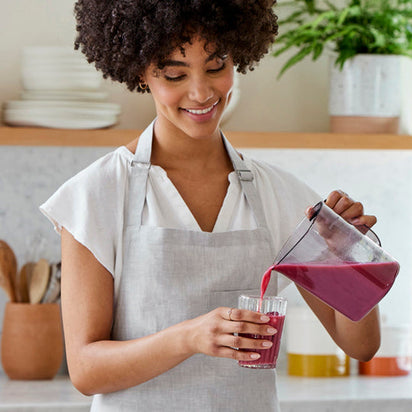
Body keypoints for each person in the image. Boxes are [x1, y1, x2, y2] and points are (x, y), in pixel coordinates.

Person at [40, 1, 380, 411]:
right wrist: (189, 337)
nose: (201, 93)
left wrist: (353, 256)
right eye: (174, 74)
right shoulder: (97, 194)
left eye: (216, 66)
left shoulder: (279, 194)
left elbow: (360, 344)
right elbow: (85, 369)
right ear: (140, 72)